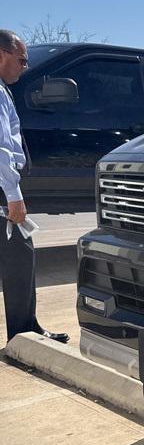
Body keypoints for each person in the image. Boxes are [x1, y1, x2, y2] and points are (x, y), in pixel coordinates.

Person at [0, 29, 68, 344]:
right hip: (3, 189)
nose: (25, 67)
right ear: (2, 55)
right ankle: (24, 333)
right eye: (22, 60)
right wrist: (14, 195)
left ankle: (26, 328)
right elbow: (2, 147)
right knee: (20, 258)